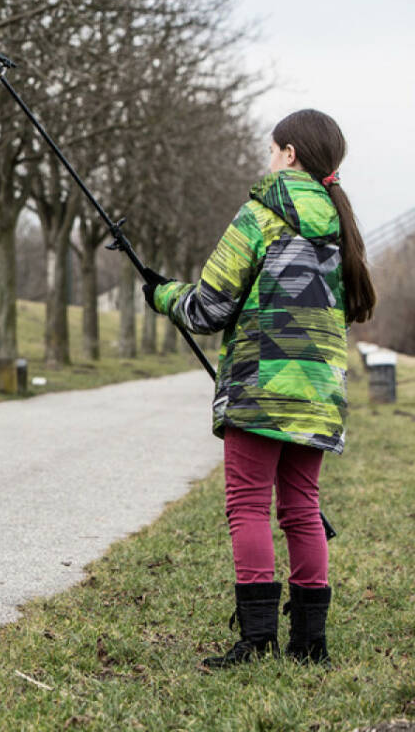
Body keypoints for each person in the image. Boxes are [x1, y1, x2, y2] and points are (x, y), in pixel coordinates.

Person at [141, 109, 375, 669]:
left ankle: (257, 639)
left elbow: (210, 308)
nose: (269, 158)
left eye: (273, 150)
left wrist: (164, 294)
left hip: (260, 388)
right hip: (319, 393)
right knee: (301, 507)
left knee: (248, 504)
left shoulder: (260, 214)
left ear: (289, 154)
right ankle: (310, 644)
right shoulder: (342, 226)